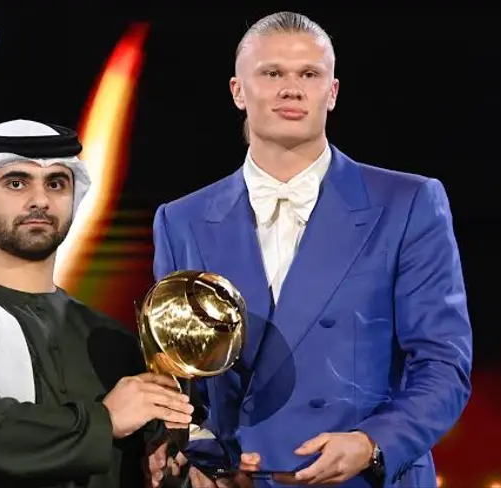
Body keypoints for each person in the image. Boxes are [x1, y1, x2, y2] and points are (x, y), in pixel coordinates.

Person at [152, 11, 473, 488]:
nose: (291, 89)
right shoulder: (181, 220)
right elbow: (178, 379)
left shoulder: (408, 203)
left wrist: (372, 443)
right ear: (238, 91)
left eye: (308, 74)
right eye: (272, 73)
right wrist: (195, 452)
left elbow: (444, 365)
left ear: (332, 92)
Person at [0, 119, 193, 488]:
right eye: (16, 183)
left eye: (56, 183)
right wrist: (103, 421)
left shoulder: (111, 339)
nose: (41, 200)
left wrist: (164, 461)